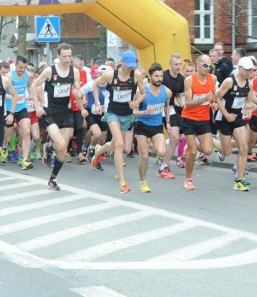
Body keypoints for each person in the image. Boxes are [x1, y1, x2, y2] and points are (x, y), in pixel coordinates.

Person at [30, 43, 85, 191]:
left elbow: (76, 91)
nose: (67, 59)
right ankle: (49, 147)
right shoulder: (49, 71)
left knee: (63, 149)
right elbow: (34, 86)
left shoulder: (75, 72)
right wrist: (37, 106)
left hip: (65, 113)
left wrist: (81, 106)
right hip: (49, 113)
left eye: (69, 56)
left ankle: (52, 179)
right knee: (60, 145)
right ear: (58, 56)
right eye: (65, 56)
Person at [91, 50, 145, 192]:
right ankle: (122, 182)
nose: (130, 68)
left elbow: (143, 93)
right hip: (113, 113)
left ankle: (99, 151)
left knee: (115, 145)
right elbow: (95, 85)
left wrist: (136, 102)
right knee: (120, 144)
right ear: (121, 62)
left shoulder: (137, 75)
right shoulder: (110, 75)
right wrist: (97, 104)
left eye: (133, 65)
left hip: (127, 114)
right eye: (128, 65)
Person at [214, 57, 257, 191]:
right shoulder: (229, 81)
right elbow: (217, 98)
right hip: (224, 117)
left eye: (250, 70)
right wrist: (226, 114)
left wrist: (251, 107)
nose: (249, 72)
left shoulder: (249, 83)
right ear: (239, 68)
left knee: (244, 148)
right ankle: (210, 139)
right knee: (226, 152)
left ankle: (239, 179)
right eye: (246, 69)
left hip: (237, 117)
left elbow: (247, 102)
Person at [133, 63, 173, 193]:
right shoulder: (141, 91)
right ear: (150, 77)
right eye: (156, 76)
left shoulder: (167, 92)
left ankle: (150, 144)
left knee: (161, 152)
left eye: (161, 76)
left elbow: (167, 106)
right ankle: (142, 181)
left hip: (156, 125)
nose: (159, 79)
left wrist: (167, 122)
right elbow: (133, 112)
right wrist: (145, 112)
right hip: (142, 124)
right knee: (144, 156)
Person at [180, 54, 217, 190]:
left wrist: (214, 103)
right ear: (198, 65)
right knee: (194, 152)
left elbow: (213, 97)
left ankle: (191, 144)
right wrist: (203, 100)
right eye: (205, 65)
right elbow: (188, 103)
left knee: (207, 151)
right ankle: (188, 179)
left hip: (203, 119)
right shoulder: (189, 80)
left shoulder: (213, 78)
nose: (208, 68)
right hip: (189, 119)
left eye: (210, 66)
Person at [4, 56, 33, 169]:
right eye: (20, 67)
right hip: (9, 108)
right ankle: (4, 146)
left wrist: (31, 96)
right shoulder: (9, 77)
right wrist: (13, 97)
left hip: (21, 107)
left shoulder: (28, 75)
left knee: (26, 130)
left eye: (24, 67)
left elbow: (30, 87)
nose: (22, 70)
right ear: (15, 65)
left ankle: (25, 158)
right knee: (8, 137)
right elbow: (1, 93)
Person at [161, 53, 185, 174]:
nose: (178, 66)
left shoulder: (181, 79)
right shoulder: (163, 76)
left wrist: (185, 107)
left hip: (170, 108)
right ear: (170, 64)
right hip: (157, 108)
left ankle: (164, 164)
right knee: (158, 142)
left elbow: (179, 96)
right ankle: (161, 156)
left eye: (180, 64)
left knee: (175, 138)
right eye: (176, 64)